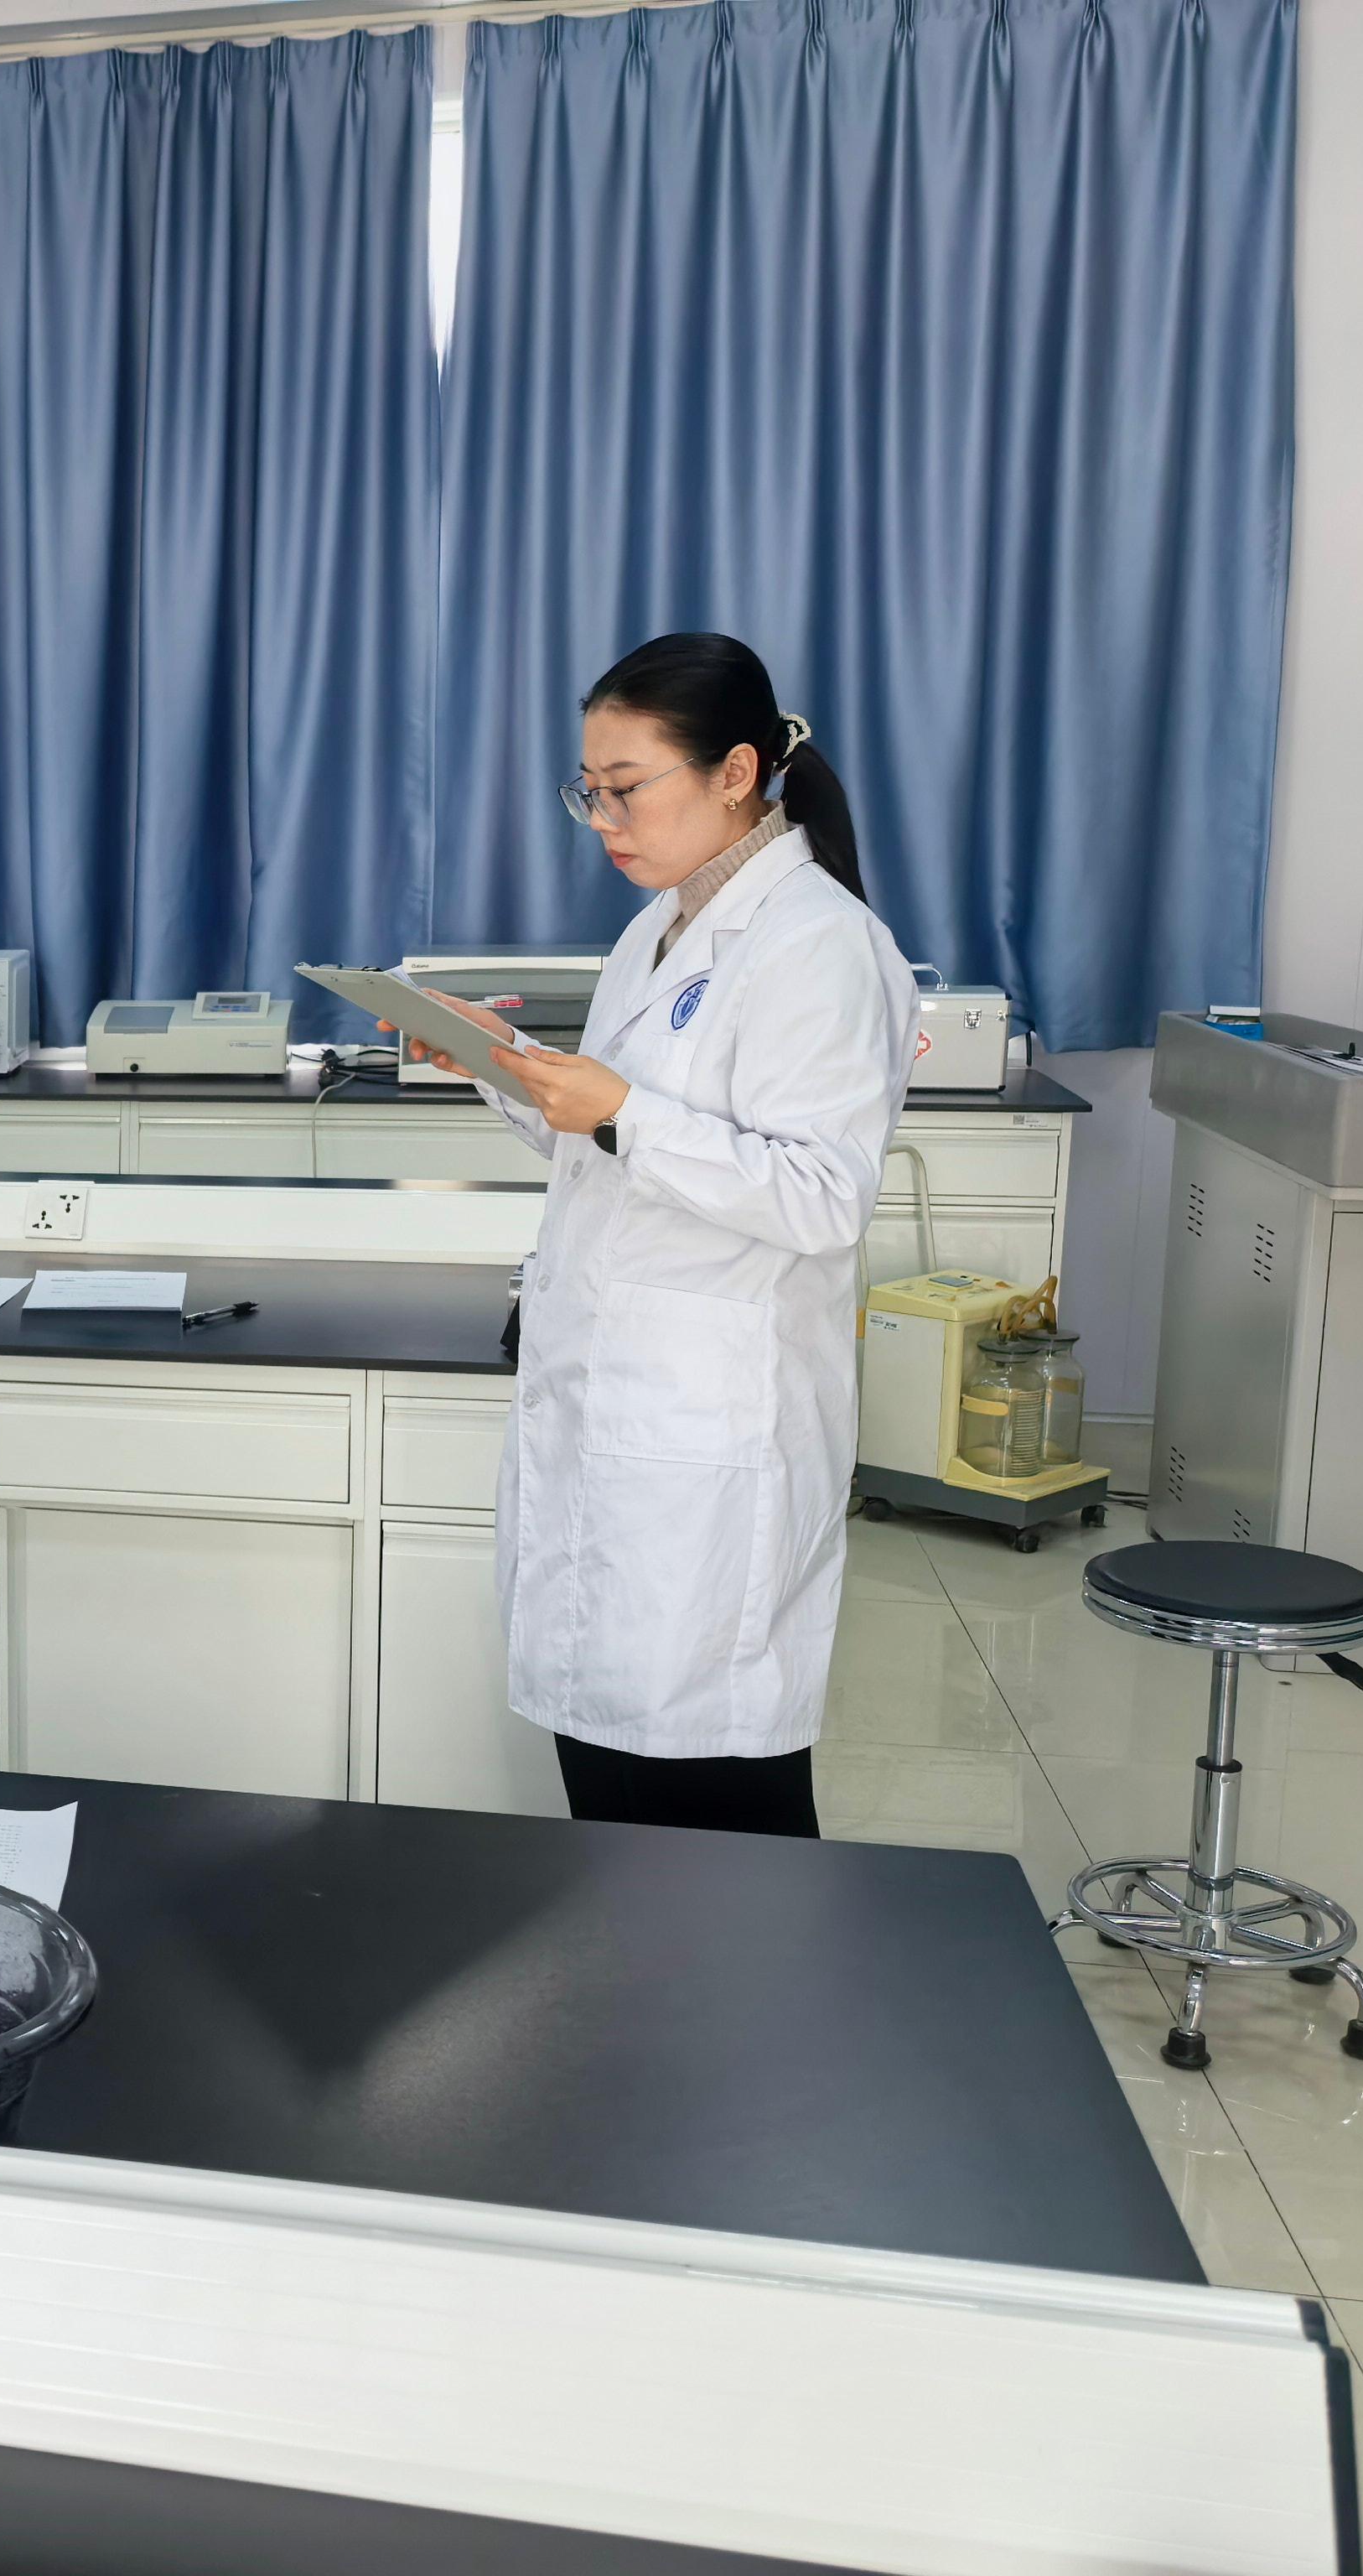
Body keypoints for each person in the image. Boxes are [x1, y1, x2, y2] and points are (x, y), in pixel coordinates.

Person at [400, 635, 919, 1836]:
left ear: (735, 772)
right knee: (613, 1788)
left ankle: (745, 1972)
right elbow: (610, 1147)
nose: (603, 821)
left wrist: (622, 1111)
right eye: (589, 790)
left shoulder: (819, 943)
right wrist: (499, 1065)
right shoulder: (661, 929)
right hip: (615, 1414)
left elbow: (821, 1198)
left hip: (707, 1433)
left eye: (627, 788)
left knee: (717, 1815)